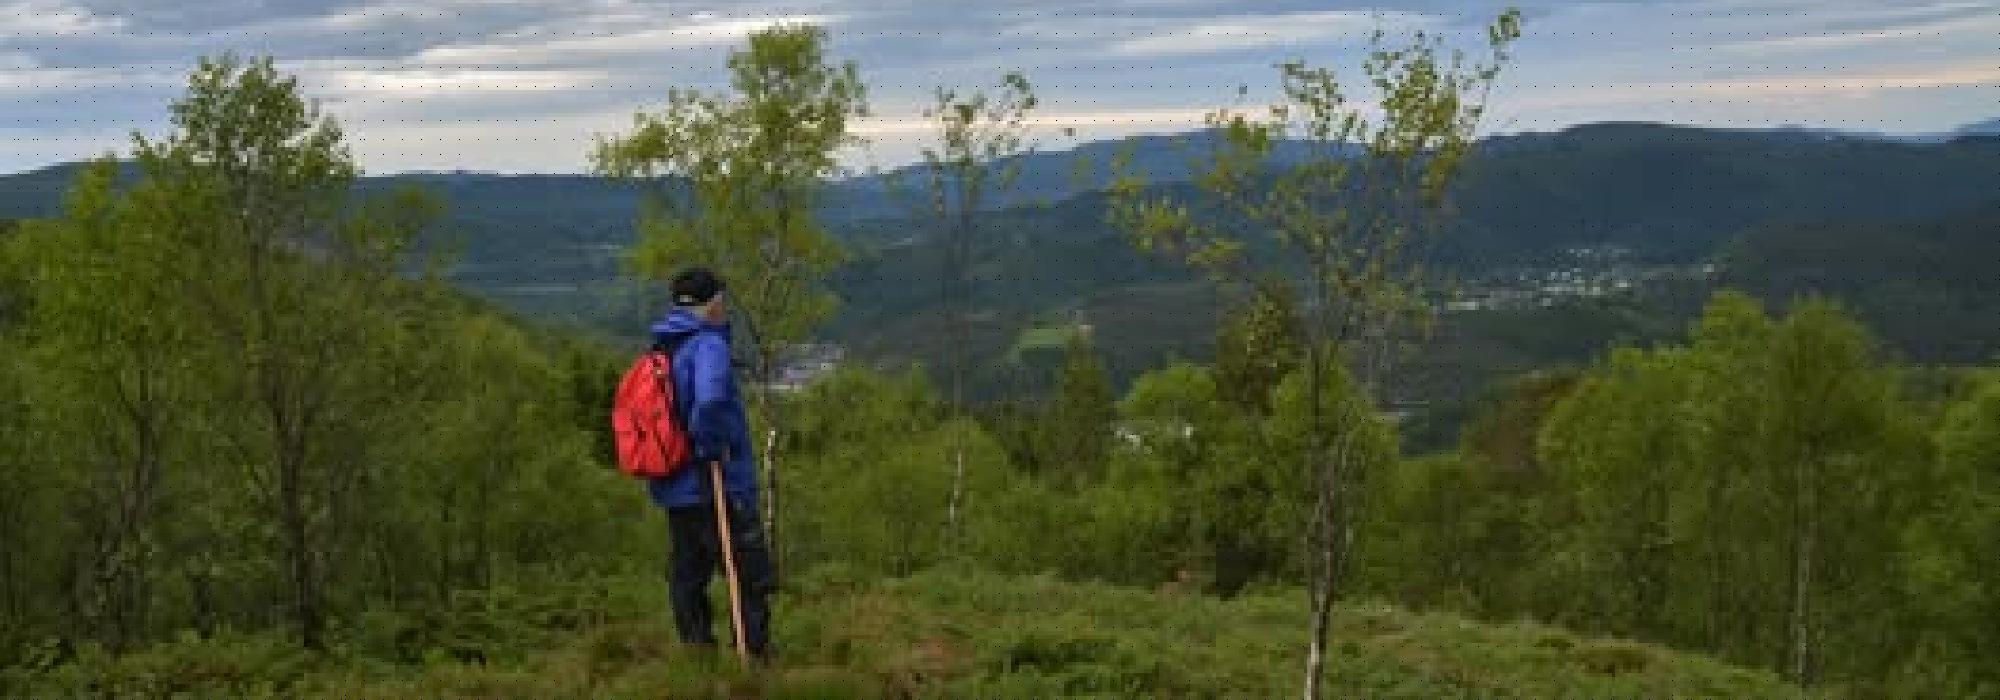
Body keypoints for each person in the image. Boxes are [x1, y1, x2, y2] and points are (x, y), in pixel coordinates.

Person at [649, 266, 773, 660]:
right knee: (744, 568)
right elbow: (711, 399)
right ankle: (752, 654)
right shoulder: (708, 345)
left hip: (677, 484)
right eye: (721, 299)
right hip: (715, 477)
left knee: (688, 570)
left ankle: (697, 652)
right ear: (713, 303)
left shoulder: (664, 345)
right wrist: (711, 445)